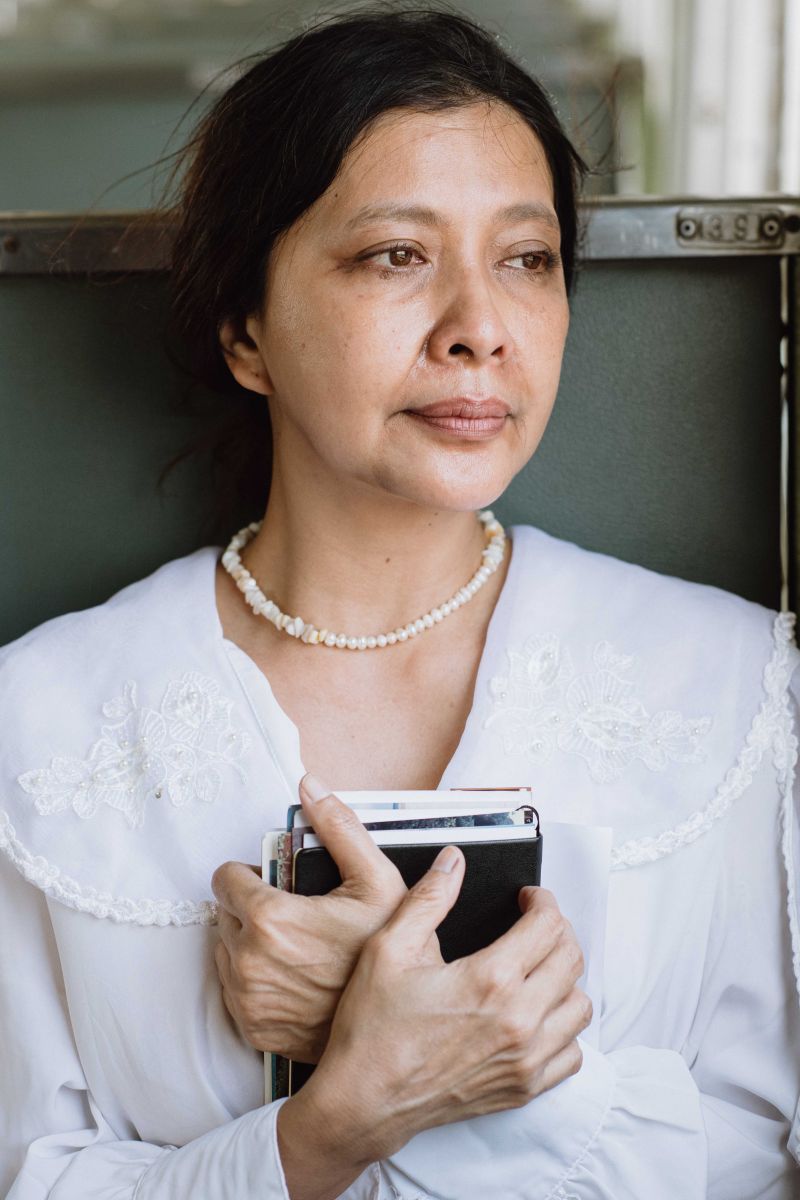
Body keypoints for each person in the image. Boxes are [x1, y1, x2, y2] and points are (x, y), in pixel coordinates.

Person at [1, 6, 798, 1198]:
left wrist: (411, 1038)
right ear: (245, 330)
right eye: (394, 256)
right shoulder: (39, 725)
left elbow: (760, 1158)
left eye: (524, 260)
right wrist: (329, 1127)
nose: (480, 330)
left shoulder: (732, 691)